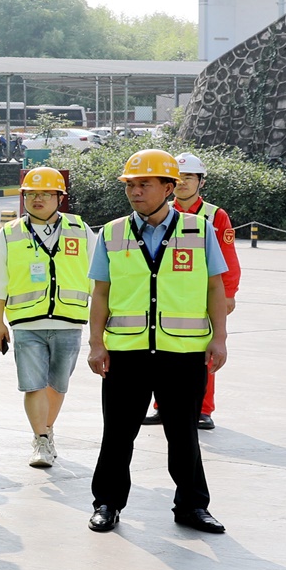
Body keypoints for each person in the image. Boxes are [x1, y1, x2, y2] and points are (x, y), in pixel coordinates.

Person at [85, 149, 230, 535]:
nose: (135, 191)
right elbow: (100, 293)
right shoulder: (112, 232)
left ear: (169, 187)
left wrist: (220, 338)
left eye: (144, 184)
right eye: (130, 185)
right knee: (117, 432)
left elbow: (215, 286)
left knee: (183, 433)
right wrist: (96, 343)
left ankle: (192, 506)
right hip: (126, 353)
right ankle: (107, 503)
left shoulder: (200, 231)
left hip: (182, 353)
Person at [0, 167, 90, 467]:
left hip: (69, 320)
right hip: (27, 323)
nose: (37, 199)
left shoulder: (80, 229)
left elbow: (99, 278)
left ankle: (47, 429)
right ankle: (41, 439)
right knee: (33, 385)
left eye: (44, 194)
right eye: (31, 194)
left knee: (57, 386)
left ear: (59, 198)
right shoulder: (10, 234)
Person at [142, 152, 241, 430]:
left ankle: (202, 409)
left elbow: (228, 259)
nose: (183, 183)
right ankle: (162, 406)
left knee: (204, 353)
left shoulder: (214, 215)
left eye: (189, 177)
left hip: (203, 297)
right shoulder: (157, 212)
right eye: (179, 178)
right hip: (166, 296)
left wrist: (228, 294)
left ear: (201, 182)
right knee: (160, 351)